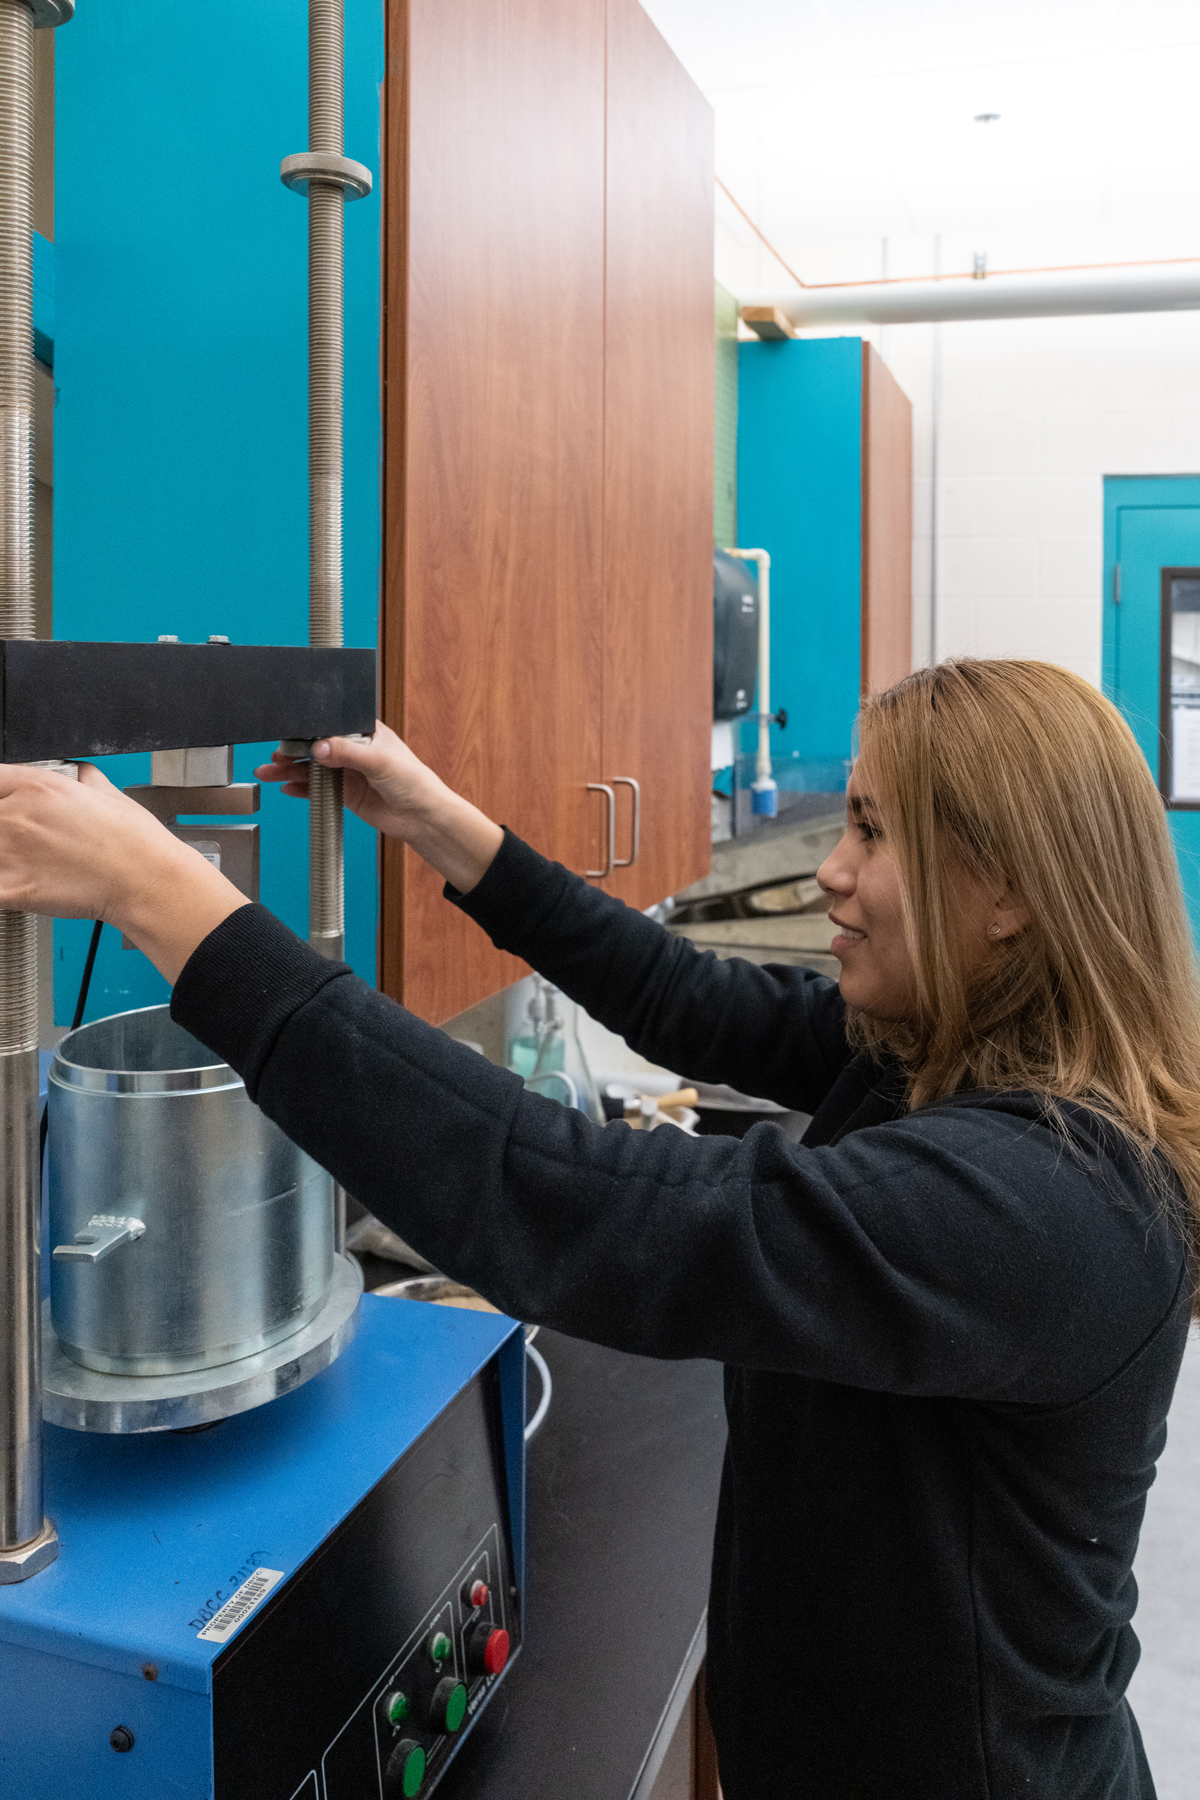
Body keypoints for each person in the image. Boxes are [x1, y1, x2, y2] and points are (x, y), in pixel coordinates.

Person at [0, 657, 1194, 1800]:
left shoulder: (1053, 1202)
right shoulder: (955, 1043)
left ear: (1012, 897)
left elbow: (594, 1210)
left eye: (874, 832)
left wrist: (165, 900)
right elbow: (689, 997)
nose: (831, 868)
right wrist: (443, 827)